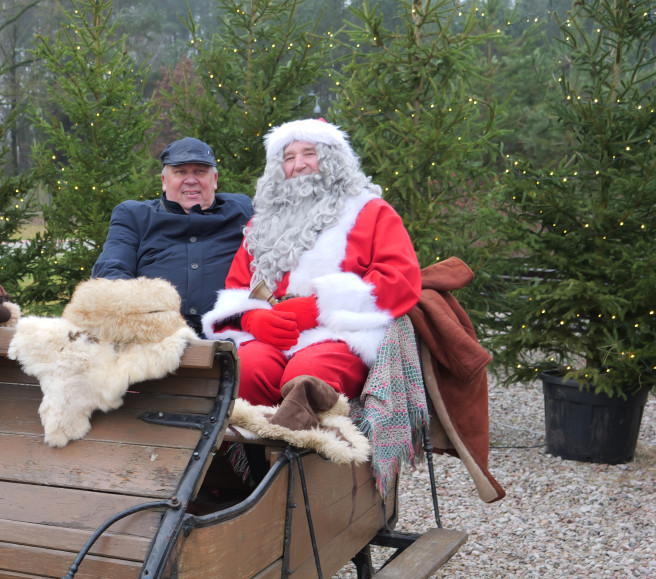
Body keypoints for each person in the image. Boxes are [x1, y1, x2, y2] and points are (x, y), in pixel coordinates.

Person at [201, 118, 422, 419]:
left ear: (332, 160)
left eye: (309, 153)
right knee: (247, 371)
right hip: (271, 337)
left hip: (338, 334)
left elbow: (399, 279)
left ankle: (301, 462)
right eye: (289, 158)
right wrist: (252, 319)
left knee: (307, 377)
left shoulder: (371, 211)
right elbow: (236, 288)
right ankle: (249, 463)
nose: (299, 165)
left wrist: (320, 308)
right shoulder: (261, 225)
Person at [91, 137, 252, 335]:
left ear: (215, 180)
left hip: (231, 337)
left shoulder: (243, 210)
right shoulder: (134, 215)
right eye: (180, 172)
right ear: (164, 181)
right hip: (155, 337)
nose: (191, 180)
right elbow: (111, 270)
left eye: (200, 171)